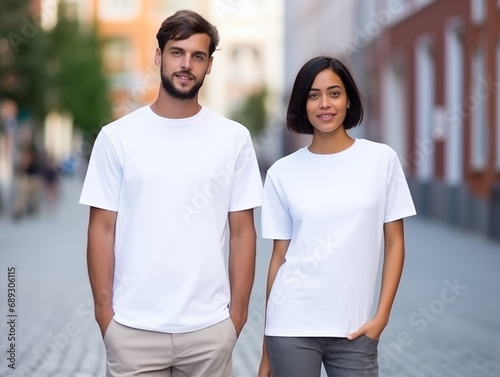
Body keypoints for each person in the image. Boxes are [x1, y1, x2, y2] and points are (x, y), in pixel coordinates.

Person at [80, 10, 262, 377]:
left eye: (198, 56)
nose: (186, 64)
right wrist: (106, 317)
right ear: (159, 56)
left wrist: (236, 318)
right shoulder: (117, 138)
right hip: (133, 331)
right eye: (177, 52)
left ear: (209, 65)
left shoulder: (234, 139)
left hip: (208, 331)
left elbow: (243, 231)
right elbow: (101, 229)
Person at [257, 56, 416, 377]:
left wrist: (381, 318)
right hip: (290, 326)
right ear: (302, 104)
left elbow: (396, 243)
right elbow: (278, 260)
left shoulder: (381, 160)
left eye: (334, 92)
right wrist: (265, 352)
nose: (324, 103)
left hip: (356, 329)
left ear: (348, 100)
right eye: (313, 95)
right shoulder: (281, 173)